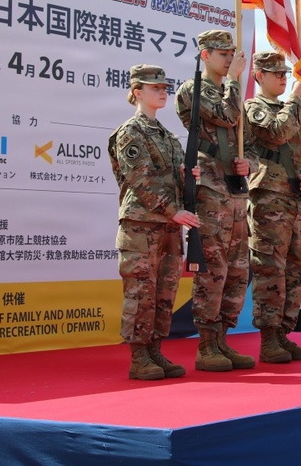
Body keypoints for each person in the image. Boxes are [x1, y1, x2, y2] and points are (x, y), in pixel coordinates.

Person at [108, 64, 201, 381]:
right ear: (137, 92)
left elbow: (173, 181)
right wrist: (171, 210)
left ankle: (155, 350)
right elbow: (140, 180)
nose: (162, 92)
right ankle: (139, 357)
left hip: (169, 227)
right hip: (141, 226)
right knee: (141, 292)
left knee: (164, 292)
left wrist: (189, 178)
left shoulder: (170, 138)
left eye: (164, 88)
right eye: (154, 88)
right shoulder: (130, 133)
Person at [175, 30, 259, 372]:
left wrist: (248, 161)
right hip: (210, 188)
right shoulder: (193, 90)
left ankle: (223, 337)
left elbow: (247, 138)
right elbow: (226, 116)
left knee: (238, 270)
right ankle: (207, 344)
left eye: (231, 53)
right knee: (213, 268)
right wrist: (236, 80)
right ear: (205, 55)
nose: (229, 59)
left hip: (236, 189)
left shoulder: (231, 91)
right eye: (222, 53)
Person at [245, 51, 301, 364]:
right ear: (258, 75)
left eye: (284, 73)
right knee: (270, 269)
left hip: (296, 199)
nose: (282, 77)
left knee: (297, 267)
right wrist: (295, 100)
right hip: (269, 198)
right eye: (275, 73)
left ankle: (285, 332)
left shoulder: (293, 109)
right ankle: (269, 337)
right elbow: (275, 133)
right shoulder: (253, 107)